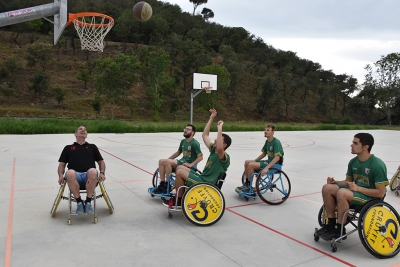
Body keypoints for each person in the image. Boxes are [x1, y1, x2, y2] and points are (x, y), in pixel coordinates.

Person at [316, 133, 388, 239]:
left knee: (342, 193)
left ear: (365, 147)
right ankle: (330, 225)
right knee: (327, 188)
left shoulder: (377, 165)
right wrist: (335, 182)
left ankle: (340, 228)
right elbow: (347, 182)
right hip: (356, 193)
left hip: (371, 199)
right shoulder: (353, 162)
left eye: (355, 143)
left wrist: (358, 188)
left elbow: (381, 193)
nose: (351, 145)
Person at [163, 108, 232, 208]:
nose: (215, 140)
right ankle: (180, 196)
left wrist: (220, 129)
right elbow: (205, 135)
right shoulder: (213, 150)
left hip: (207, 182)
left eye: (218, 140)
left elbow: (220, 148)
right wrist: (211, 118)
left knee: (180, 172)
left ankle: (179, 200)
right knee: (180, 168)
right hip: (202, 177)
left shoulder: (224, 156)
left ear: (224, 144)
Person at [57, 125, 106, 215]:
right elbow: (62, 164)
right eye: (80, 129)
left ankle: (88, 202)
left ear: (86, 135)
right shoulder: (68, 148)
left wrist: (102, 172)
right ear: (75, 134)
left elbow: (101, 162)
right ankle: (79, 202)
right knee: (70, 172)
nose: (83, 130)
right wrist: (60, 175)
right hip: (74, 177)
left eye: (85, 130)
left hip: (89, 176)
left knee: (93, 171)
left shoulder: (92, 147)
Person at [153, 124, 203, 194]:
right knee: (165, 163)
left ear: (193, 133)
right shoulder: (183, 141)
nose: (185, 130)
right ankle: (164, 184)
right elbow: (178, 152)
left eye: (188, 129)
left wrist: (191, 165)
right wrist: (168, 159)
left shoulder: (195, 143)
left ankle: (166, 185)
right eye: (185, 129)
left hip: (187, 165)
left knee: (162, 161)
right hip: (181, 162)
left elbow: (201, 157)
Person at [235, 124, 284, 193]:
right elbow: (264, 153)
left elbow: (277, 158)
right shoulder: (267, 141)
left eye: (268, 130)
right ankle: (247, 184)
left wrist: (266, 168)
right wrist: (255, 160)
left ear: (273, 132)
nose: (265, 131)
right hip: (268, 161)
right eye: (265, 130)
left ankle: (249, 187)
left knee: (251, 165)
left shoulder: (276, 142)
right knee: (247, 162)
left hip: (275, 164)